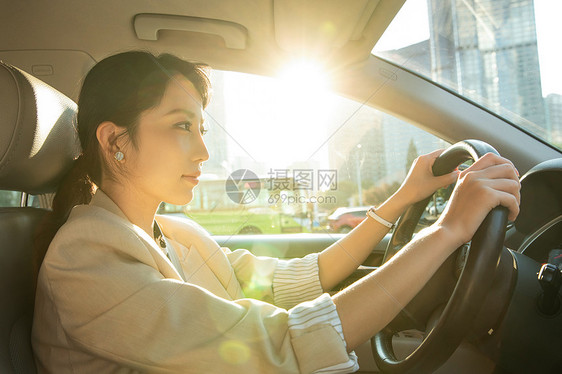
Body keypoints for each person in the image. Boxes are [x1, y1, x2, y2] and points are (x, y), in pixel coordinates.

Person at [32, 51, 521, 374]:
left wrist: (402, 201)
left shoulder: (174, 234)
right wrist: (447, 231)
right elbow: (277, 343)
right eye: (182, 126)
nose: (202, 152)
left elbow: (298, 281)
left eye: (203, 129)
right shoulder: (86, 257)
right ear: (115, 140)